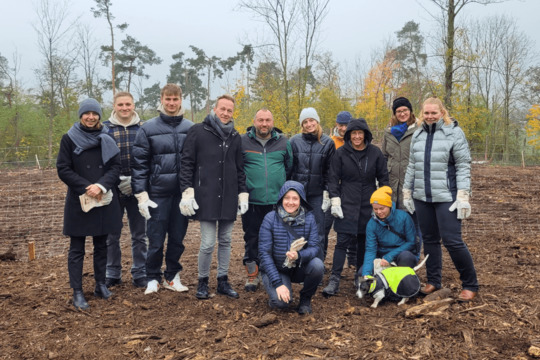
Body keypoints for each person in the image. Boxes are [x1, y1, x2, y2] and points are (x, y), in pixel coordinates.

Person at [403, 97, 478, 302]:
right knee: (429, 240)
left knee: (453, 241)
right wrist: (407, 191)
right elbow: (412, 165)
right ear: (421, 114)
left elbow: (463, 165)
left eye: (433, 113)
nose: (429, 116)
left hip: (446, 196)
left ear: (442, 112)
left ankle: (470, 284)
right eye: (426, 113)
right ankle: (434, 280)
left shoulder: (454, 133)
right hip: (422, 196)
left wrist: (463, 194)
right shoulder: (417, 133)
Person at [179, 95, 248, 300]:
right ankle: (202, 282)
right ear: (214, 109)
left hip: (228, 196)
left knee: (226, 240)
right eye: (222, 109)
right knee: (208, 243)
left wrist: (242, 193)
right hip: (207, 195)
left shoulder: (235, 136)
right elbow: (187, 163)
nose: (226, 113)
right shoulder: (198, 131)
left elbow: (239, 168)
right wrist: (187, 191)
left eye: (229, 110)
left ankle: (223, 281)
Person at [57, 98, 122, 310]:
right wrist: (87, 187)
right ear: (81, 115)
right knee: (77, 248)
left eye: (95, 113)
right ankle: (77, 291)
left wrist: (101, 186)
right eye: (87, 113)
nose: (91, 117)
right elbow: (63, 168)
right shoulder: (69, 139)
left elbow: (115, 166)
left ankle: (100, 285)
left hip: (102, 198)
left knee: (101, 245)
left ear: (99, 116)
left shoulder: (107, 137)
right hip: (80, 201)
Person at [131, 83, 194, 295]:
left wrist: (192, 191)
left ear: (180, 100)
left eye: (175, 99)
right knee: (156, 240)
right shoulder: (147, 129)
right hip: (157, 194)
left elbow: (196, 163)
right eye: (168, 99)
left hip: (182, 195)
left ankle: (172, 276)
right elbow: (139, 165)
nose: (172, 103)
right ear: (162, 100)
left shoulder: (190, 128)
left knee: (177, 239)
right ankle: (152, 277)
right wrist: (141, 194)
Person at [322, 118, 389, 297]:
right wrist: (335, 199)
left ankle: (359, 276)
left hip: (368, 203)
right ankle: (334, 279)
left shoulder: (375, 153)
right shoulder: (341, 153)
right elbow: (333, 178)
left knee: (363, 242)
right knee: (342, 242)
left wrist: (382, 202)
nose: (357, 137)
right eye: (354, 133)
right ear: (349, 135)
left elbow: (383, 179)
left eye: (360, 133)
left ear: (365, 134)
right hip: (347, 202)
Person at [241, 108, 293, 292]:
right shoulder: (243, 141)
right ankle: (252, 275)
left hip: (276, 202)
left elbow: (289, 167)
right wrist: (243, 191)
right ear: (254, 121)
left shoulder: (283, 142)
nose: (264, 124)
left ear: (272, 122)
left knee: (278, 237)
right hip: (251, 201)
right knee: (252, 237)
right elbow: (238, 168)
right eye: (261, 120)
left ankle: (276, 272)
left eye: (268, 120)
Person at [103, 91, 148, 289]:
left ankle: (140, 272)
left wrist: (136, 181)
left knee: (139, 234)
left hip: (138, 188)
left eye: (128, 104)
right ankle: (112, 272)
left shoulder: (143, 128)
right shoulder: (104, 129)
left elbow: (149, 158)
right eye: (120, 104)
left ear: (133, 105)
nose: (124, 108)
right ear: (114, 106)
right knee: (111, 233)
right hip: (112, 189)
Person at [258, 180, 324, 314]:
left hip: (298, 266)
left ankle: (305, 299)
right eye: (286, 198)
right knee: (281, 303)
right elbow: (264, 254)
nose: (290, 202)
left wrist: (299, 256)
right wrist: (278, 283)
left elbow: (315, 247)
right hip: (277, 268)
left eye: (295, 198)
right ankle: (276, 294)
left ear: (301, 200)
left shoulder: (309, 218)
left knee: (317, 265)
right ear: (281, 199)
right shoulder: (270, 218)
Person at [289, 107, 335, 259]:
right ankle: (299, 262)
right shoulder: (294, 141)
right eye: (305, 122)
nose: (309, 124)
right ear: (302, 124)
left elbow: (330, 171)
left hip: (318, 194)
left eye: (311, 120)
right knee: (297, 229)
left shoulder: (327, 143)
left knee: (318, 231)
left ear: (317, 121)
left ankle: (317, 264)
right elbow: (290, 168)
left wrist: (328, 192)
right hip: (298, 194)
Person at [381, 97, 422, 255]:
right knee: (394, 225)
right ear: (394, 113)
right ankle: (396, 257)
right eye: (399, 111)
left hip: (412, 185)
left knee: (413, 225)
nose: (402, 113)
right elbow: (385, 156)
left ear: (410, 111)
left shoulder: (419, 129)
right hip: (392, 186)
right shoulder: (389, 132)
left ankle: (413, 257)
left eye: (405, 110)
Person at [360, 186, 418, 278]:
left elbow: (411, 242)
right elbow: (371, 250)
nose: (378, 212)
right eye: (375, 209)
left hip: (401, 254)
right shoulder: (371, 223)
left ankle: (404, 282)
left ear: (389, 205)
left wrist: (390, 256)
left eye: (382, 208)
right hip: (382, 257)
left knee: (406, 257)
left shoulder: (404, 217)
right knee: (362, 273)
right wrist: (366, 274)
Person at [326, 111, 356, 266]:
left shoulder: (356, 139)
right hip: (333, 188)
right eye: (341, 124)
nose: (344, 128)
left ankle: (352, 259)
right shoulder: (331, 142)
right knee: (328, 225)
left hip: (350, 189)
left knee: (350, 224)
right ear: (336, 125)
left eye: (347, 125)